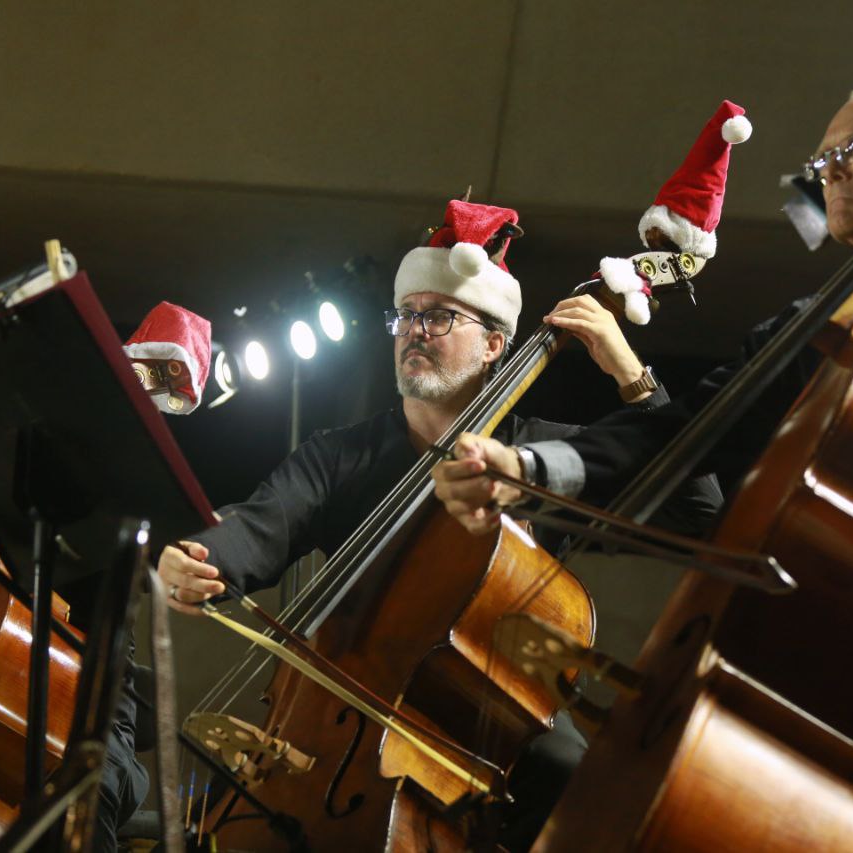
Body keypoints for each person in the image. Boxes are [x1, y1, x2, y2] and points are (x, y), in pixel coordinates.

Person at [432, 78, 853, 852]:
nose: (832, 171)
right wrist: (529, 466)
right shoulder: (812, 334)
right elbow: (685, 430)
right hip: (835, 613)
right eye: (823, 160)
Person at [154, 198, 720, 851]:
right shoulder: (338, 457)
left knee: (583, 788)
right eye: (406, 314)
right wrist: (201, 556)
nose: (414, 331)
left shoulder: (542, 458)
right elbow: (261, 524)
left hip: (492, 714)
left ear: (494, 345)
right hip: (338, 716)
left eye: (440, 316)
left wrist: (630, 373)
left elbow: (697, 507)